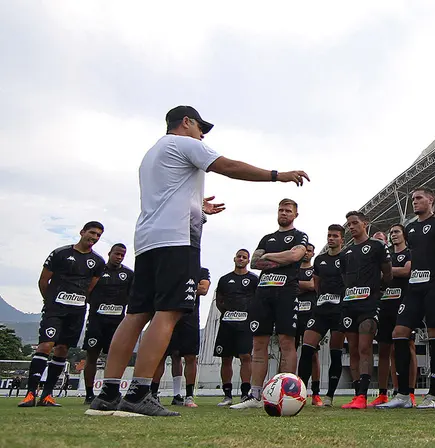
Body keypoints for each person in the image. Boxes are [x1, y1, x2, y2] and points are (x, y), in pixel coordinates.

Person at [88, 105, 309, 417]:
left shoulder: (152, 154)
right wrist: (277, 176)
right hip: (177, 241)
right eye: (200, 127)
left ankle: (108, 394)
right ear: (186, 122)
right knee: (169, 312)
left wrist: (196, 204)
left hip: (148, 239)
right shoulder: (184, 143)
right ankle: (138, 393)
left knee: (137, 313)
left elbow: (167, 194)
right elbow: (228, 166)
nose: (203, 134)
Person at [378, 187, 435, 410]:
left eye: (419, 198)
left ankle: (434, 394)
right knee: (399, 333)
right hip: (414, 287)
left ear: (431, 200)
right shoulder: (411, 228)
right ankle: (404, 394)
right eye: (413, 199)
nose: (415, 202)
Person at [232, 198, 308, 409]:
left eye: (288, 210)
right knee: (258, 344)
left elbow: (296, 255)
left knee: (286, 343)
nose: (283, 213)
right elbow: (255, 262)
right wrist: (281, 258)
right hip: (263, 294)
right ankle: (255, 395)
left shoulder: (300, 236)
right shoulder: (267, 238)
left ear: (295, 214)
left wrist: (271, 257)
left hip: (286, 294)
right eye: (281, 210)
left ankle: (289, 392)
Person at [20, 221, 106, 408]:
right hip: (55, 309)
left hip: (76, 311)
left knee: (62, 350)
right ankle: (30, 394)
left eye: (99, 235)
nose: (94, 237)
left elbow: (90, 288)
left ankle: (47, 395)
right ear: (82, 232)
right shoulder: (60, 253)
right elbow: (44, 280)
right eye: (92, 233)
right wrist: (49, 301)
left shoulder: (98, 262)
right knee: (46, 345)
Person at [338, 211, 392, 409]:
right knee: (352, 349)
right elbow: (344, 278)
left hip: (369, 303)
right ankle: (356, 394)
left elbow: (387, 273)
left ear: (365, 224)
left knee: (364, 347)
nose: (351, 227)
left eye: (354, 223)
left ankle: (363, 394)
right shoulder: (346, 253)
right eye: (349, 224)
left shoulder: (377, 246)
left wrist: (376, 290)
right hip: (349, 304)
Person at [297, 224, 347, 407]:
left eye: (335, 236)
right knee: (307, 347)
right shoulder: (320, 260)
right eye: (329, 235)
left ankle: (329, 396)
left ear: (342, 239)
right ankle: (301, 392)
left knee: (335, 352)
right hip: (320, 309)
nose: (331, 238)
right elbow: (316, 283)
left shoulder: (347, 257)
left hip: (339, 310)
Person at [82, 243, 134, 404]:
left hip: (117, 322)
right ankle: (89, 393)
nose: (119, 257)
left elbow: (132, 296)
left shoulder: (128, 274)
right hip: (97, 320)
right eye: (116, 254)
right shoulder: (98, 271)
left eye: (122, 255)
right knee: (92, 356)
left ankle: (111, 390)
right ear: (109, 253)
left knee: (114, 356)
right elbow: (87, 292)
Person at [370, 224, 415, 407]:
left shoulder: (410, 253)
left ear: (403, 235)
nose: (394, 234)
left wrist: (384, 272)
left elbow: (407, 270)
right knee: (383, 350)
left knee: (406, 347)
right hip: (385, 305)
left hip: (404, 303)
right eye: (392, 232)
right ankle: (384, 393)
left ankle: (408, 392)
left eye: (396, 232)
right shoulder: (386, 256)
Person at [153, 267, 210, 407]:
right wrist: (188, 289)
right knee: (162, 356)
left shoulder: (201, 271)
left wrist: (176, 289)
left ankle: (188, 396)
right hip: (168, 316)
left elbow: (203, 289)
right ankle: (153, 393)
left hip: (190, 318)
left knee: (190, 357)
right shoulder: (170, 268)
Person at [214, 249, 258, 407]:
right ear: (234, 259)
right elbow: (219, 300)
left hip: (245, 324)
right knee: (226, 358)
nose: (241, 259)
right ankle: (227, 395)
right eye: (239, 256)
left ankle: (245, 394)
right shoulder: (225, 279)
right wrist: (227, 313)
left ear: (248, 261)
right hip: (227, 323)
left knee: (245, 356)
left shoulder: (253, 279)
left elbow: (258, 300)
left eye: (244, 257)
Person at [296, 243, 321, 405]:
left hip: (311, 313)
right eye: (304, 250)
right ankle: (290, 388)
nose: (306, 253)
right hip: (293, 313)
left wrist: (296, 285)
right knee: (288, 352)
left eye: (309, 251)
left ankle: (315, 393)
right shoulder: (293, 270)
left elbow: (313, 285)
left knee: (312, 354)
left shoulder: (316, 270)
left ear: (313, 254)